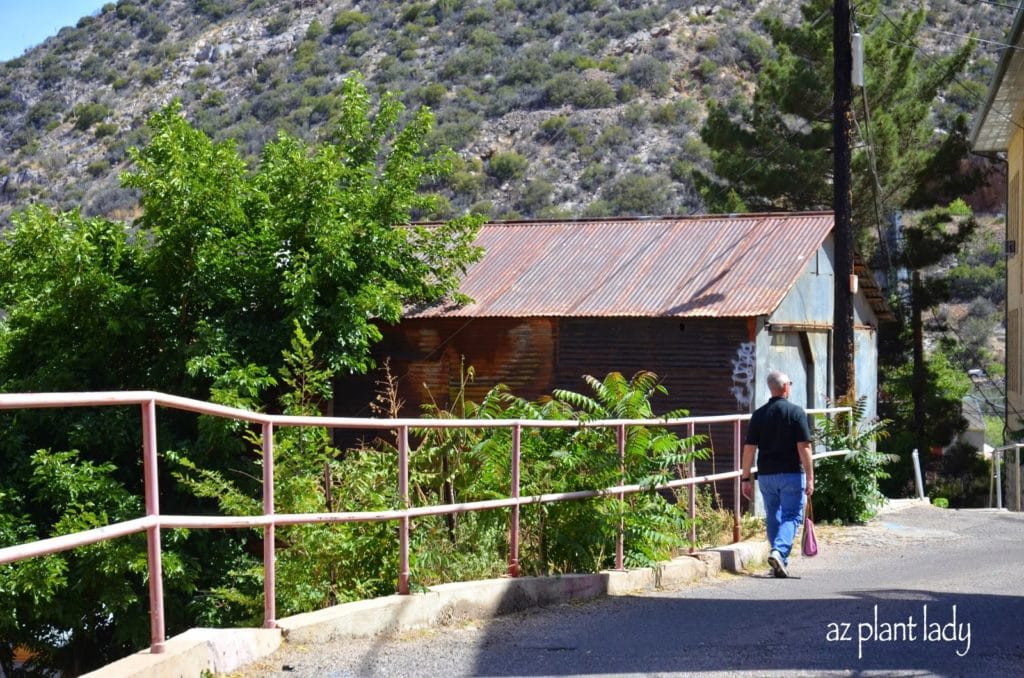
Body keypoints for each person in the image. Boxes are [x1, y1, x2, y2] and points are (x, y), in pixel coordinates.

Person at [740, 369, 814, 578]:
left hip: (766, 475)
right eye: (790, 382)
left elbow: (749, 449)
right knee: (791, 515)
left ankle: (779, 562)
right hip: (790, 474)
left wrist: (746, 477)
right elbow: (804, 448)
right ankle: (779, 552)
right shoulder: (796, 412)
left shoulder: (759, 415)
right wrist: (810, 477)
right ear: (785, 387)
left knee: (773, 515)